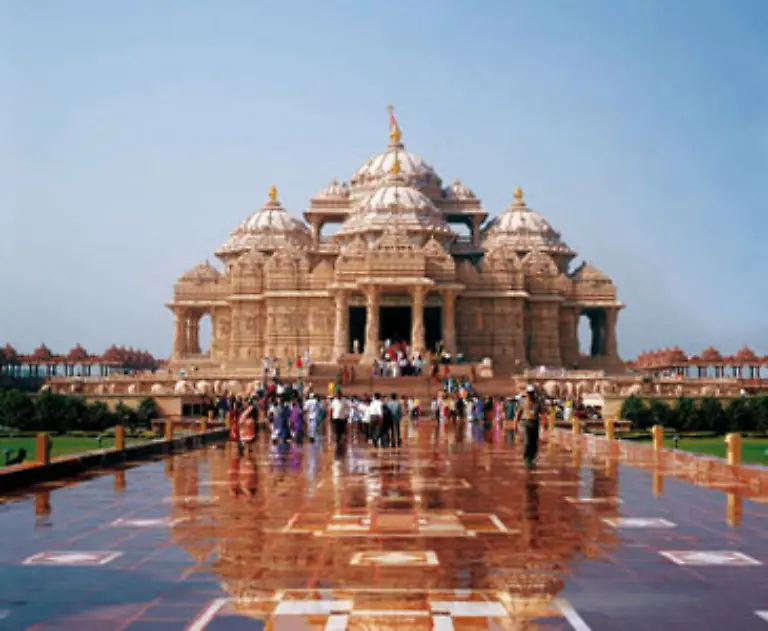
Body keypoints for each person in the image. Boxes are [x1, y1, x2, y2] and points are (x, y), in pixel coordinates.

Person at [516, 385, 541, 469]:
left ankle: (532, 459)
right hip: (526, 422)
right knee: (527, 442)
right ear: (526, 393)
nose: (530, 394)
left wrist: (545, 423)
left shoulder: (537, 402)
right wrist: (515, 425)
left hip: (535, 423)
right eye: (529, 393)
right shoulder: (522, 402)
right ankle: (527, 459)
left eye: (532, 393)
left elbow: (542, 412)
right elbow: (518, 413)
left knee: (534, 443)